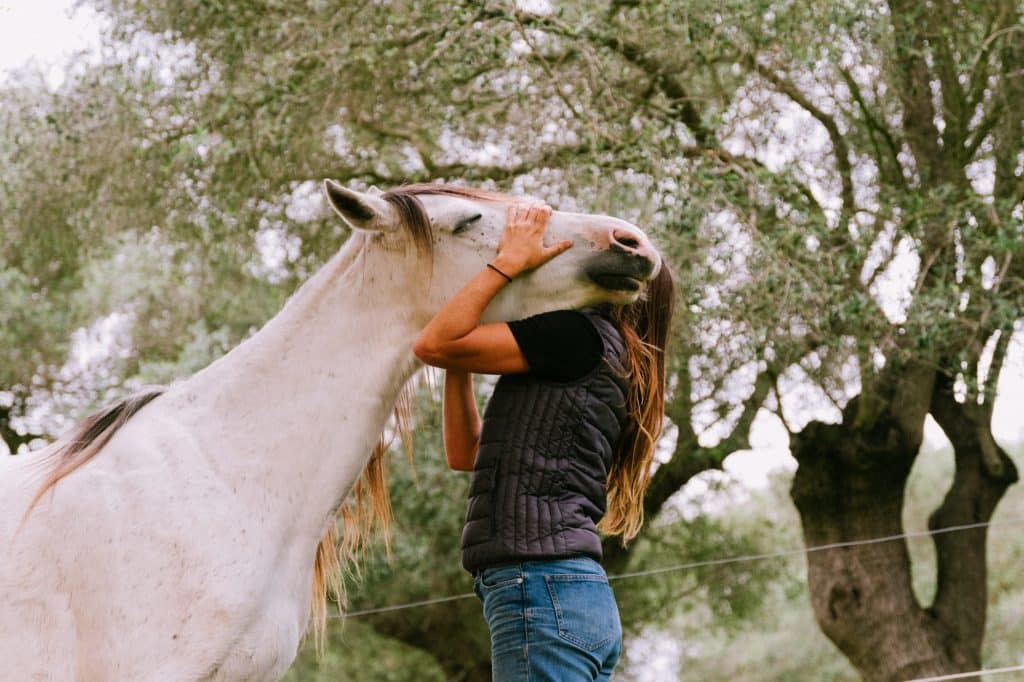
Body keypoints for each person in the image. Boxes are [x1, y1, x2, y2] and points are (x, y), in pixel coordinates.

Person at [413, 203, 674, 681]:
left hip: (542, 590)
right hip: (567, 596)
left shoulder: (577, 337)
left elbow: (432, 343)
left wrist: (508, 262)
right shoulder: (597, 354)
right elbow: (464, 453)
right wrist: (462, 355)